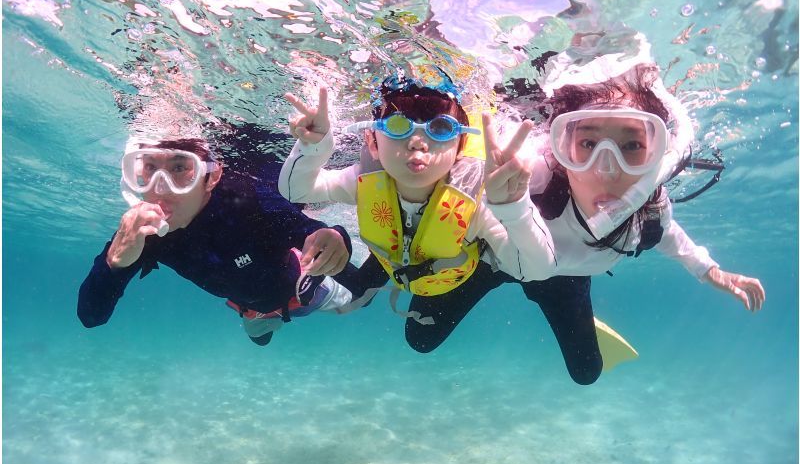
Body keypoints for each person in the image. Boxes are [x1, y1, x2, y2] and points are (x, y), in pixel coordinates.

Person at [404, 45, 766, 385]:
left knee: (586, 372)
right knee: (419, 338)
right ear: (561, 147)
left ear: (659, 153)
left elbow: (670, 236)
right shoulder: (534, 176)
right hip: (496, 260)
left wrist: (710, 271)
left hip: (564, 280)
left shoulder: (649, 210)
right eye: (588, 145)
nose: (607, 169)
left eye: (632, 146)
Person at [278, 71, 556, 332]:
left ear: (459, 147)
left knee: (422, 341)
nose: (417, 141)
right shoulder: (363, 183)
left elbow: (536, 269)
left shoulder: (474, 203)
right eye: (398, 126)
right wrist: (313, 146)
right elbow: (297, 191)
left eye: (440, 128)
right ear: (372, 142)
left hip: (460, 275)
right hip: (406, 267)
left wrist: (514, 205)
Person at [77, 135, 358, 346]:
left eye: (179, 169)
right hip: (249, 312)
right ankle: (261, 322)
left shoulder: (249, 202)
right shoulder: (144, 234)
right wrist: (113, 263)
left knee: (358, 299)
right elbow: (91, 317)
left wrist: (337, 238)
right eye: (150, 168)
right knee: (260, 338)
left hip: (304, 294)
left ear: (211, 177)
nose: (160, 186)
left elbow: (315, 232)